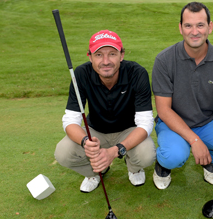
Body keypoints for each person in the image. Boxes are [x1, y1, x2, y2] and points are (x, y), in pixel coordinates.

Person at [151, 2, 213, 190]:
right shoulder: (164, 60)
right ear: (180, 28)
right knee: (173, 156)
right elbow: (163, 110)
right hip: (173, 123)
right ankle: (163, 166)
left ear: (210, 27)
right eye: (188, 25)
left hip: (206, 122)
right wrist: (194, 141)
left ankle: (210, 159)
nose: (194, 31)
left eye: (200, 25)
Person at [54, 30, 156, 193]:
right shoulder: (80, 74)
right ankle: (96, 172)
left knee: (146, 154)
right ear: (90, 57)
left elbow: (145, 123)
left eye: (112, 54)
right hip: (95, 132)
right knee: (63, 152)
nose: (106, 61)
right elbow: (70, 120)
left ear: (121, 55)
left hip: (128, 130)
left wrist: (116, 150)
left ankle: (134, 168)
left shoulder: (137, 73)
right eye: (99, 54)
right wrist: (86, 142)